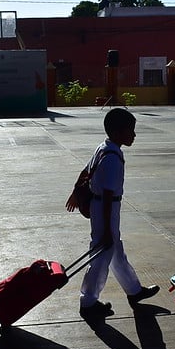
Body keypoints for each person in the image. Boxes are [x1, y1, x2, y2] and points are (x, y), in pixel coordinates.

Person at [65, 108, 159, 321]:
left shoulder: (105, 147)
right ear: (118, 132)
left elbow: (85, 170)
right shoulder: (112, 159)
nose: (134, 135)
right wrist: (107, 229)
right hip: (105, 208)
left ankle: (134, 290)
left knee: (116, 252)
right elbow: (107, 195)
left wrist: (75, 192)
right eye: (131, 130)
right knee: (102, 252)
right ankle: (88, 301)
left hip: (105, 207)